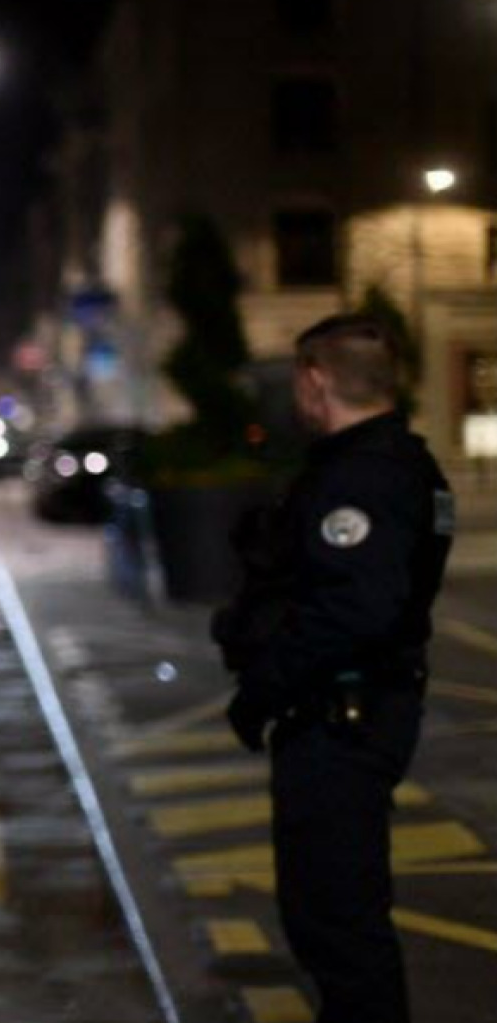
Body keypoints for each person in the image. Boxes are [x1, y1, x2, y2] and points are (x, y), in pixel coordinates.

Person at [214, 313, 454, 1023]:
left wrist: (262, 689)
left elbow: (356, 611)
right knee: (333, 919)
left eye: (297, 378)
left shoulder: (364, 478)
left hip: (340, 721)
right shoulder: (389, 463)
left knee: (338, 925)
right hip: (352, 714)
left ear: (316, 379)